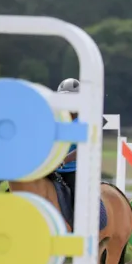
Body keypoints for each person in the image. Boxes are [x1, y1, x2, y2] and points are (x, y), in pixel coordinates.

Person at [54, 78, 80, 207]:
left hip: (74, 171)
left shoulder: (83, 121)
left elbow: (83, 149)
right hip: (51, 170)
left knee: (77, 203)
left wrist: (63, 160)